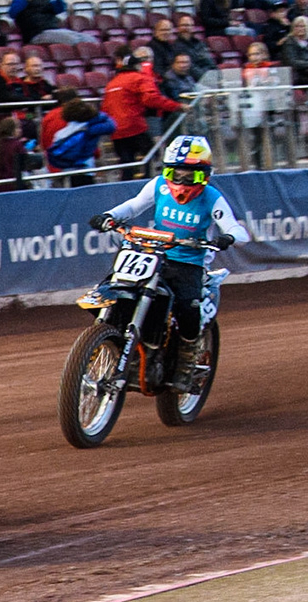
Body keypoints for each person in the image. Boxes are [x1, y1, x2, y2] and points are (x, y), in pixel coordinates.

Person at [88, 136, 248, 386]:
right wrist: (109, 216)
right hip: (151, 254)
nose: (181, 182)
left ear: (204, 176)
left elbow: (239, 231)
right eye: (176, 173)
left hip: (189, 263)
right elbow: (133, 206)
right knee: (115, 286)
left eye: (190, 177)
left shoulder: (212, 198)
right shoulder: (158, 186)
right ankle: (111, 335)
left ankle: (186, 359)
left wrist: (227, 238)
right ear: (166, 171)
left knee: (188, 309)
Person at [103, 50, 185, 169]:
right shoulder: (140, 78)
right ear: (137, 66)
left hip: (116, 130)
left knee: (127, 165)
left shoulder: (111, 84)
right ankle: (148, 182)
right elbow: (151, 99)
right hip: (134, 126)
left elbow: (105, 108)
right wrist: (177, 106)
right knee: (152, 157)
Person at [43, 96, 114, 185]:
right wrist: (96, 114)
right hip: (86, 169)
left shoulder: (60, 134)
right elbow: (111, 126)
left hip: (66, 169)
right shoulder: (90, 129)